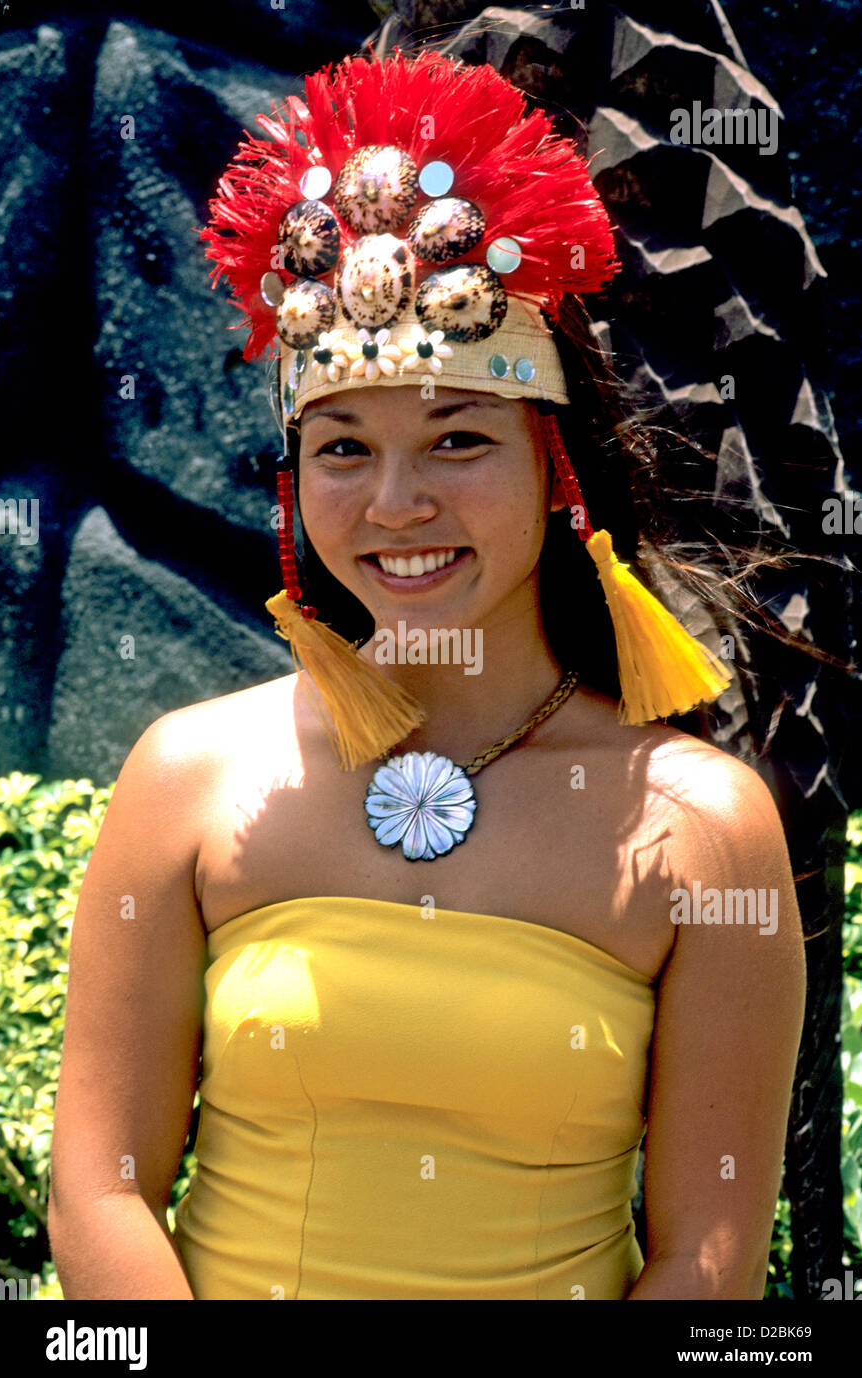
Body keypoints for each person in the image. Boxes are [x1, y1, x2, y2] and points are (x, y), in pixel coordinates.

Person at [47, 47, 806, 1300]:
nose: (396, 504)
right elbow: (103, 1184)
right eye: (342, 446)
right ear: (296, 489)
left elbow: (702, 1267)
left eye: (456, 438)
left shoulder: (702, 830)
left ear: (556, 469)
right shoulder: (187, 778)